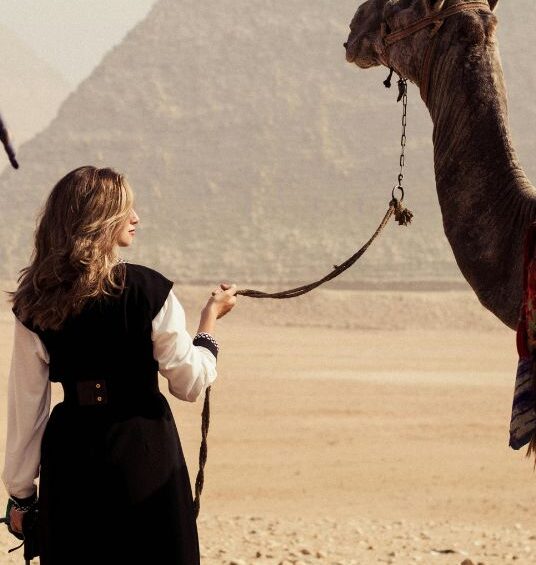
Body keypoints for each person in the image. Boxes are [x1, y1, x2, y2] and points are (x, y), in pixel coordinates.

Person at [1, 165, 237, 564]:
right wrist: (209, 325)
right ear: (99, 219)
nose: (136, 219)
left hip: (72, 460)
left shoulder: (34, 302)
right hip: (143, 451)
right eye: (126, 209)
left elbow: (27, 409)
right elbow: (189, 383)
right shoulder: (148, 290)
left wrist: (20, 495)